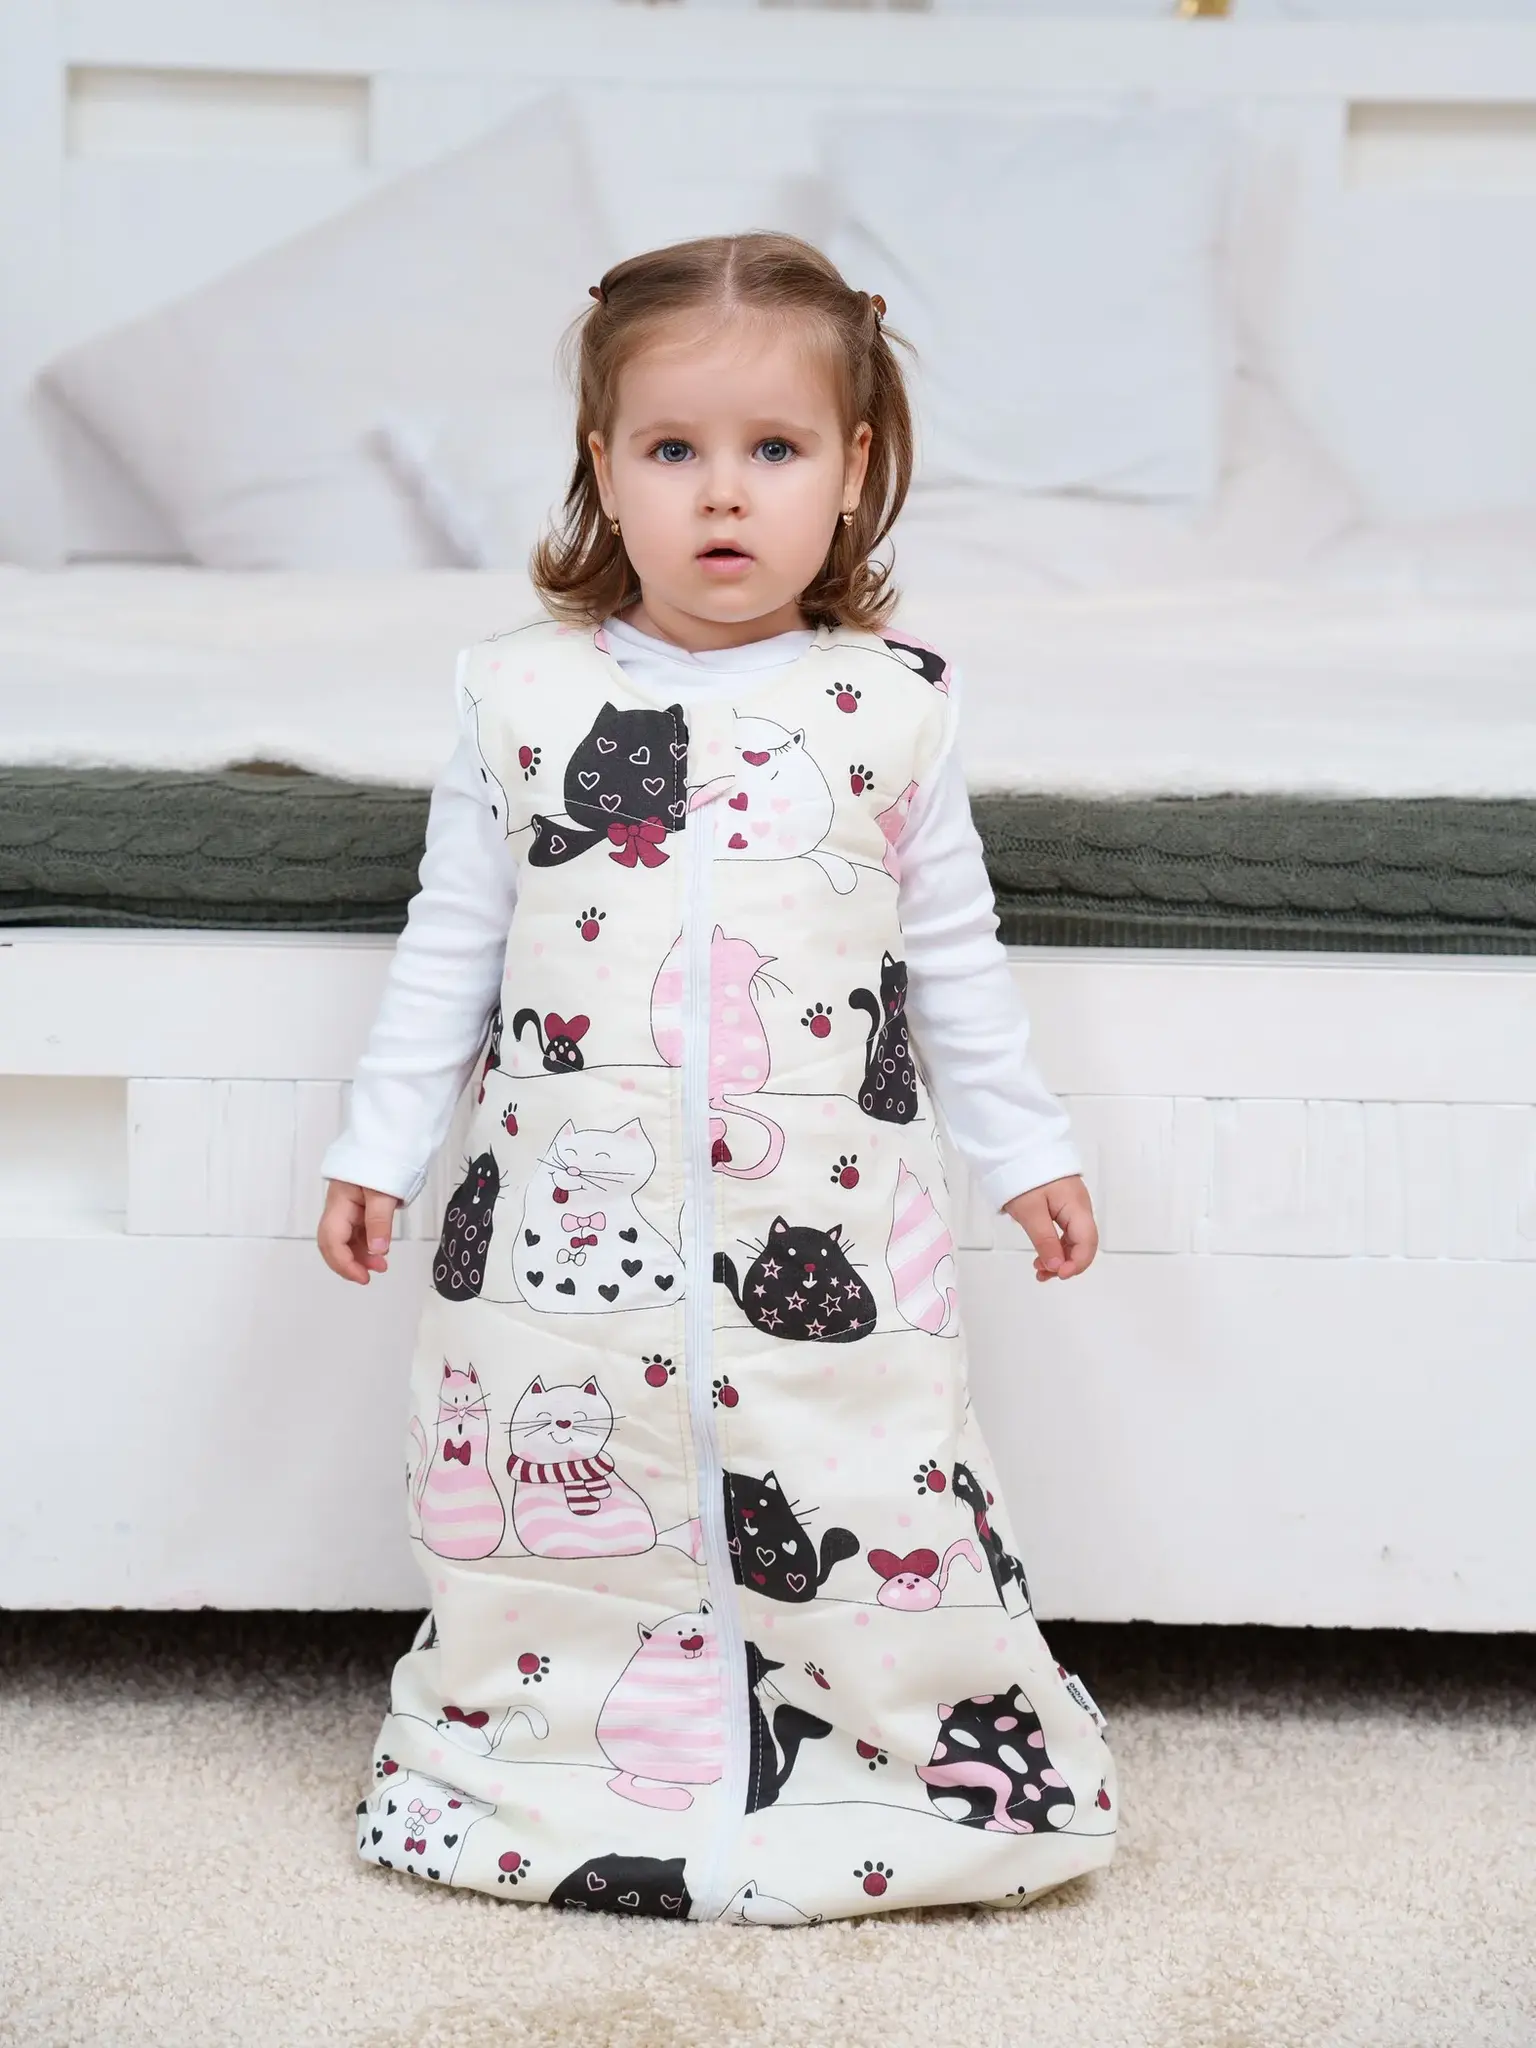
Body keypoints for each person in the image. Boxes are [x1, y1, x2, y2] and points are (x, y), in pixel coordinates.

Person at [317, 231, 1117, 1925]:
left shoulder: (891, 707)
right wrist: (376, 1145)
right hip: (551, 1237)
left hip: (831, 1228)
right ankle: (556, 1754)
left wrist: (1028, 1147)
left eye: (776, 448)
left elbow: (955, 961)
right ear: (603, 465)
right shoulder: (522, 694)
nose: (724, 493)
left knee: (865, 1480)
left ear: (857, 467)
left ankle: (894, 1753)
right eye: (674, 448)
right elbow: (452, 943)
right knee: (552, 1491)